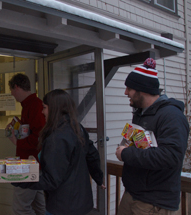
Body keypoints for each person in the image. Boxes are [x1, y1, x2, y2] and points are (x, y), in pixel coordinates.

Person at [13, 89, 105, 215]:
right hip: (81, 202)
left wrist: (19, 178)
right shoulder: (77, 127)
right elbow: (92, 155)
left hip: (63, 206)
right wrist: (99, 178)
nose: (42, 111)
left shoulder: (56, 138)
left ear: (54, 109)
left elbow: (51, 180)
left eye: (44, 107)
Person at [115, 58, 189, 215]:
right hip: (132, 195)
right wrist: (126, 146)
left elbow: (170, 156)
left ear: (142, 90)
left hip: (154, 204)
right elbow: (138, 145)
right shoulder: (140, 114)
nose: (126, 92)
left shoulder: (171, 116)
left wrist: (126, 153)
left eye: (129, 88)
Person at [6, 73, 46, 215]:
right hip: (35, 163)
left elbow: (39, 137)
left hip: (30, 164)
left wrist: (17, 142)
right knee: (39, 207)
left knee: (21, 208)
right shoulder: (29, 105)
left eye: (11, 90)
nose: (12, 94)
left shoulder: (34, 106)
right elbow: (33, 131)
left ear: (16, 87)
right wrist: (19, 126)